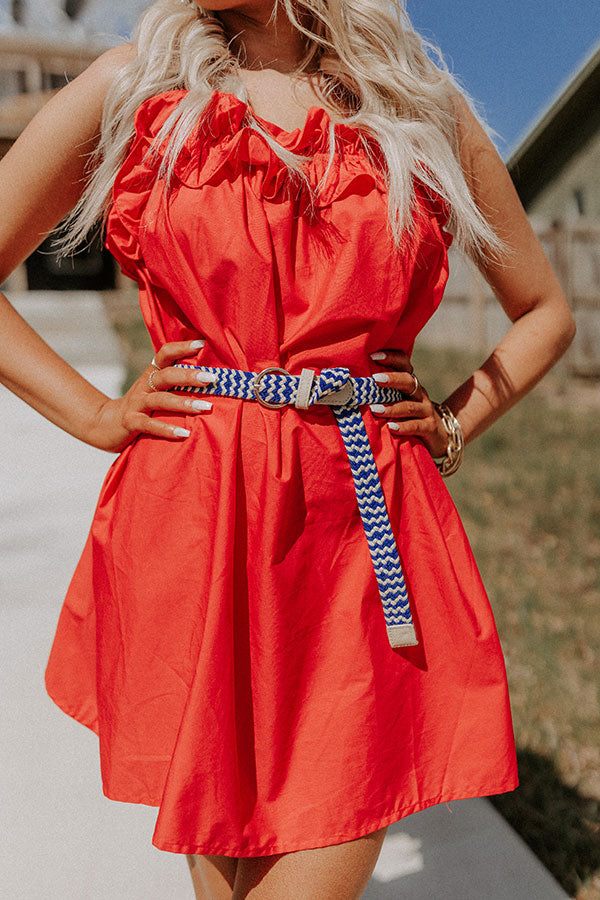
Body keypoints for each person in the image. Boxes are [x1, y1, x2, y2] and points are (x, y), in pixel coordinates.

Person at [0, 0, 575, 897]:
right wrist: (93, 416)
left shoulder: (415, 106)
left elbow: (545, 311)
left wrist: (455, 419)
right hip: (197, 526)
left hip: (359, 523)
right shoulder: (136, 88)